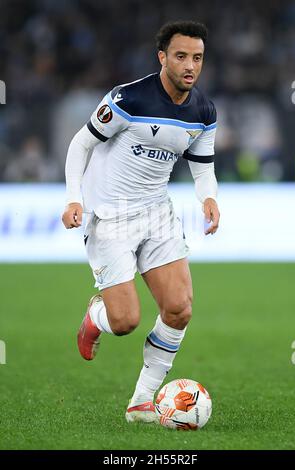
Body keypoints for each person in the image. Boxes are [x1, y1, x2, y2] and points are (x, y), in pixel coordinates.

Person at [62, 20, 220, 424]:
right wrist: (73, 198)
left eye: (197, 58)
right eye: (181, 56)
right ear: (162, 57)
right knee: (125, 321)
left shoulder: (203, 111)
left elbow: (203, 169)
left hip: (157, 214)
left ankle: (140, 402)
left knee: (179, 308)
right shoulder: (127, 99)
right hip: (110, 216)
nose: (190, 65)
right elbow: (81, 144)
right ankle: (96, 317)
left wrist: (209, 200)